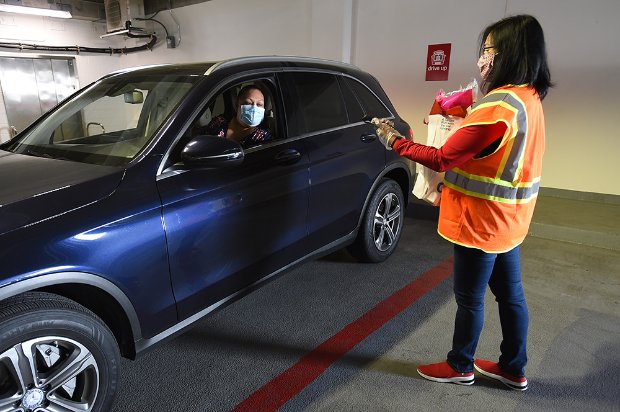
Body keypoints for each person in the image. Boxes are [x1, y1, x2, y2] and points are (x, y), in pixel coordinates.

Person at [375, 14, 552, 391]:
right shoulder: (529, 99)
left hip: (481, 222)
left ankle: (460, 365)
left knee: (470, 299)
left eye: (487, 49)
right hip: (511, 222)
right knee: (511, 296)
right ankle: (512, 366)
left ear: (507, 53)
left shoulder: (498, 107)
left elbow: (440, 158)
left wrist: (394, 141)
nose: (483, 57)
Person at [199, 84, 272, 147]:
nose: (254, 108)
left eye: (259, 104)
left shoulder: (263, 137)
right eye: (248, 103)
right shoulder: (218, 122)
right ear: (236, 106)